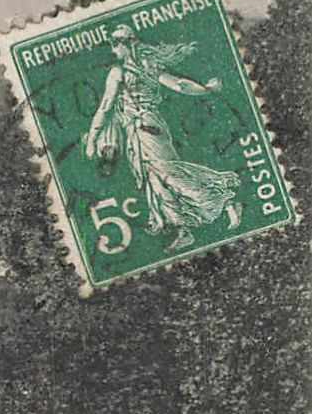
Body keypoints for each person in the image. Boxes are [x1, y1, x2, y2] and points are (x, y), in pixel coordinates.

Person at [84, 24, 243, 251]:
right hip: (147, 128)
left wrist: (92, 139)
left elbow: (106, 106)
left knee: (169, 175)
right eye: (111, 42)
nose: (112, 48)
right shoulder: (149, 66)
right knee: (156, 180)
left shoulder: (118, 73)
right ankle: (183, 229)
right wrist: (206, 89)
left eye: (115, 42)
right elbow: (180, 85)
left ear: (128, 44)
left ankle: (224, 201)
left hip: (143, 130)